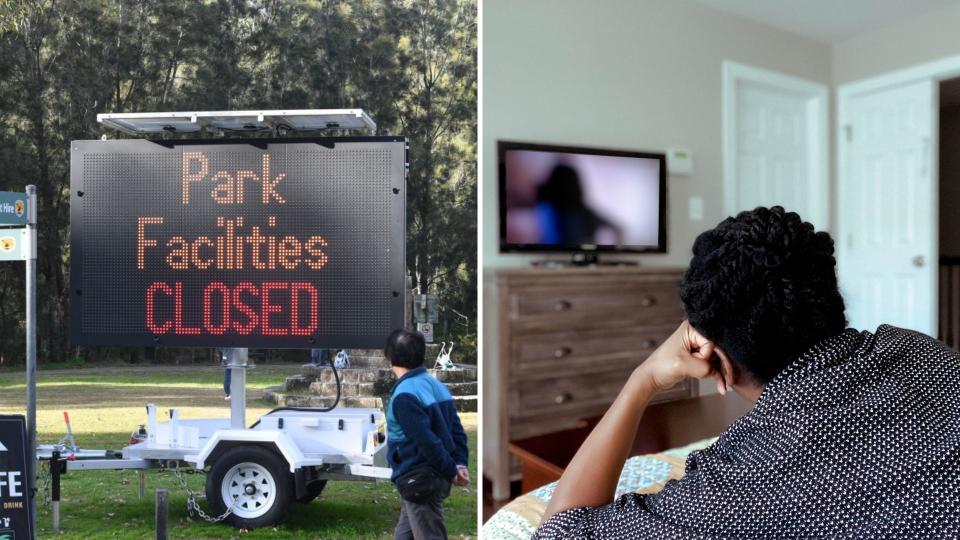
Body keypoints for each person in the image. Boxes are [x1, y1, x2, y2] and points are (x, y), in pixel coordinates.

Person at [535, 206, 960, 539]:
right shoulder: (915, 345)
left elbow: (559, 532)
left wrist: (642, 379)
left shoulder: (742, 485)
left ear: (715, 357)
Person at [384, 329, 469, 540]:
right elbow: (457, 431)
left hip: (420, 479)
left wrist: (451, 469)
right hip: (427, 479)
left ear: (390, 359)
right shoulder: (436, 385)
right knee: (404, 535)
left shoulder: (404, 395)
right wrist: (460, 463)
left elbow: (426, 441)